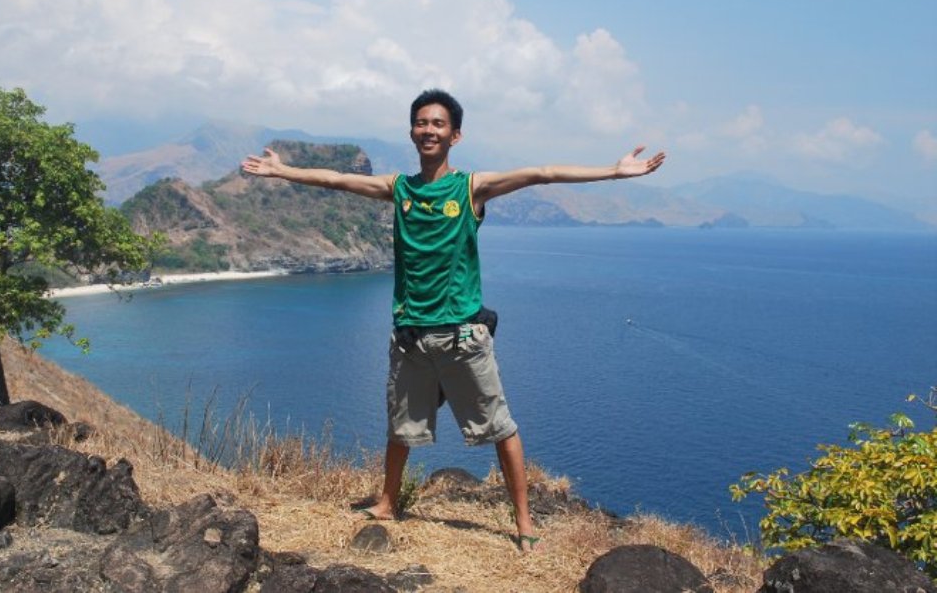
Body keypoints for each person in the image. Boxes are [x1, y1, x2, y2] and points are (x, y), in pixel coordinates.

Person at [242, 89, 666, 553]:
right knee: (400, 429)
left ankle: (524, 523)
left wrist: (614, 171)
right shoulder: (399, 189)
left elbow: (541, 173)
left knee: (501, 429)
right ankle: (387, 503)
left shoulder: (471, 188)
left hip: (463, 338)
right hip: (411, 338)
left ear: (455, 135)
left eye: (438, 124)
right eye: (421, 123)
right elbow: (337, 180)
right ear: (412, 132)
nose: (429, 130)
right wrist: (282, 170)